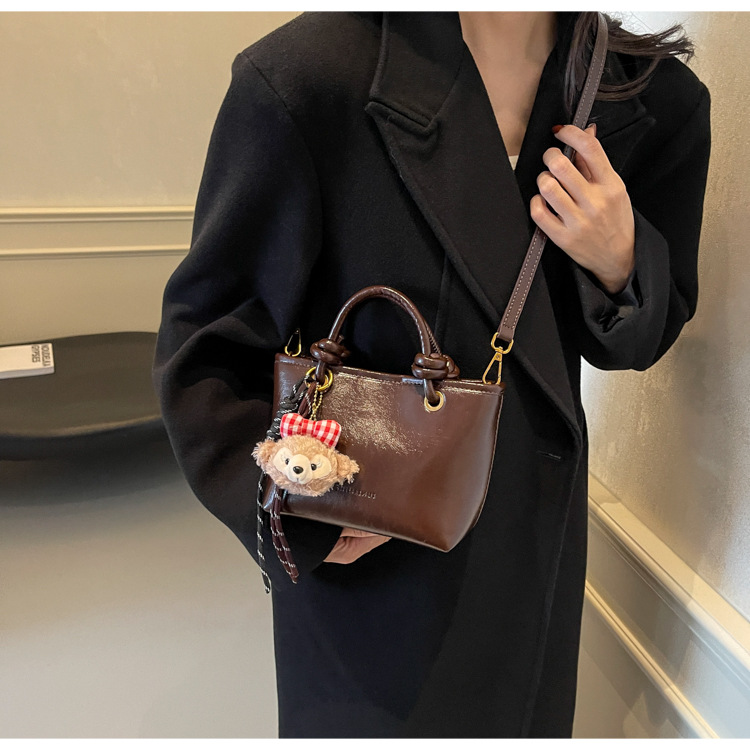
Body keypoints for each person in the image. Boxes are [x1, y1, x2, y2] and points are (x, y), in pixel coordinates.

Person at [152, 11, 711, 738]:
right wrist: (291, 510)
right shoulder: (309, 76)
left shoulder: (651, 98)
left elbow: (637, 341)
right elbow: (208, 341)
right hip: (369, 568)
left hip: (530, 564)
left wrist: (621, 262)